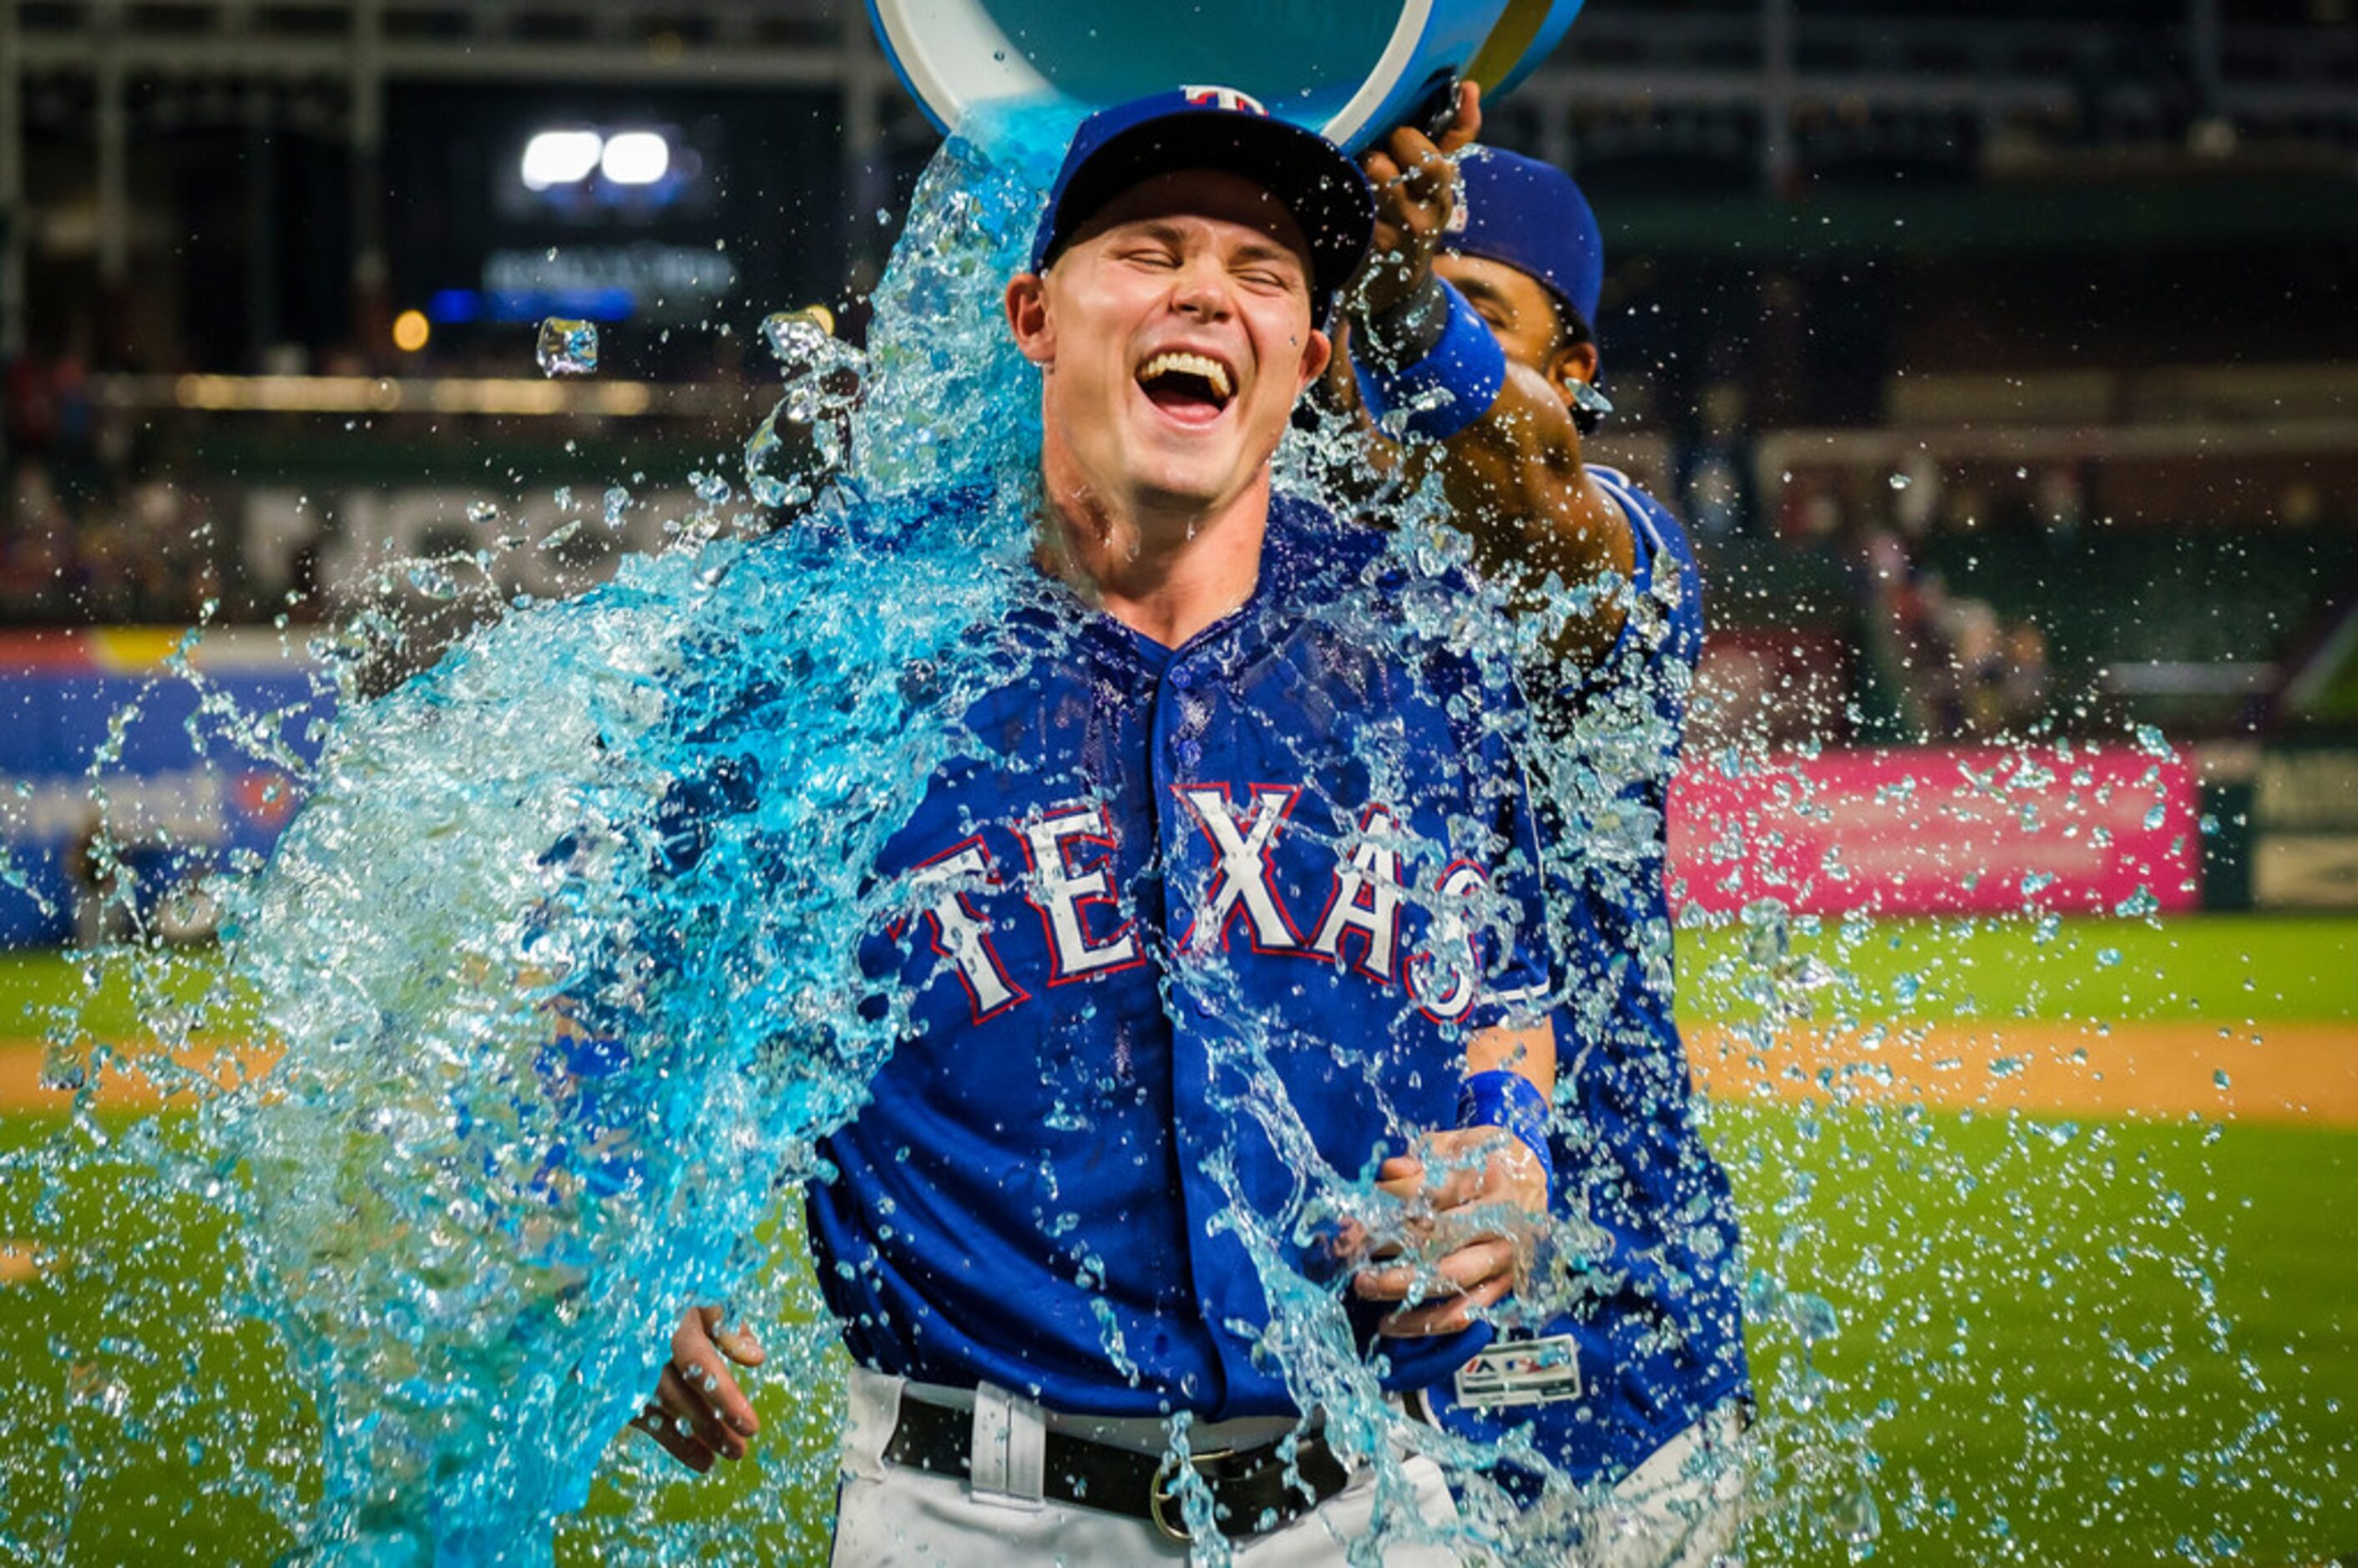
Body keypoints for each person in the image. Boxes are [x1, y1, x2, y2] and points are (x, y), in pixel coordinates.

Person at [639, 88, 1571, 1564]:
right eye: (1148, 248)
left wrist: (1510, 1170)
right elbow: (622, 991)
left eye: (1264, 274)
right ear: (1035, 316)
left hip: (1369, 1502)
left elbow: (1507, 1006)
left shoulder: (1419, 647)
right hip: (976, 1513)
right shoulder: (830, 632)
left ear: (1310, 357)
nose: (1207, 288)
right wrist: (618, 1250)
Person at [1339, 87, 1754, 1565]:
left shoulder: (1620, 551)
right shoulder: (1276, 580)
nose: (1419, 337)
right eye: (1401, 303)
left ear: (1571, 365)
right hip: (1364, 1373)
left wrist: (1390, 295)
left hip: (1621, 1359)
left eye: (1479, 311)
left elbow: (1515, 474)